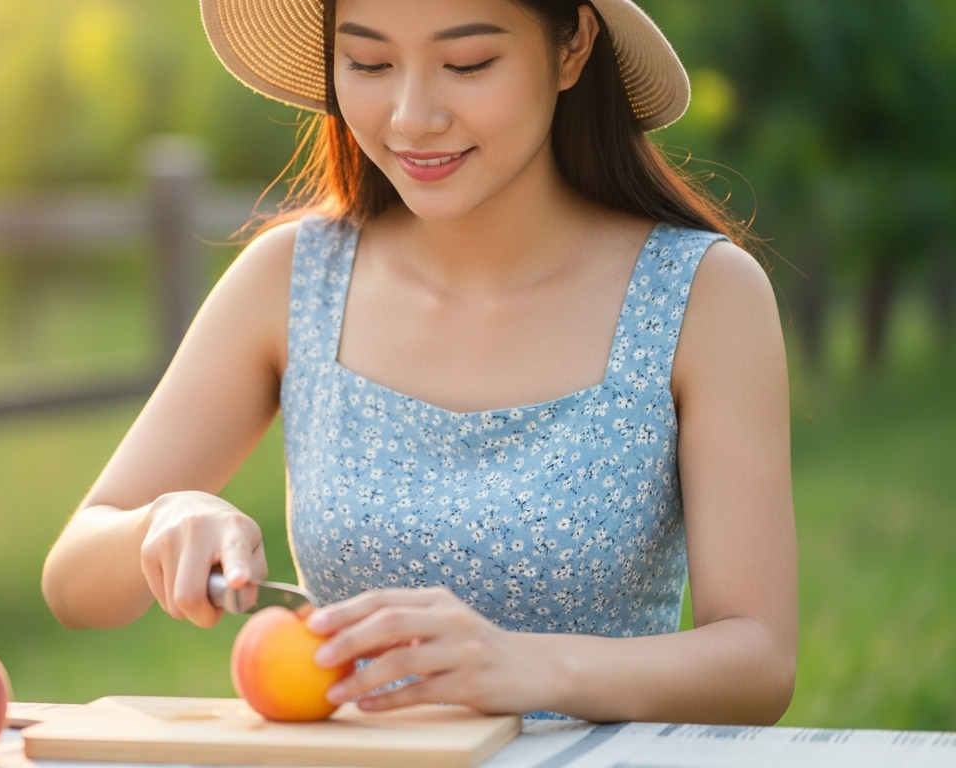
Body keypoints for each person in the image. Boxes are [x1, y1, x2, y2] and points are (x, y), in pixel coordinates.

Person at [43, 0, 796, 725]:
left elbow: (759, 665)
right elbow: (74, 583)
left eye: (466, 63)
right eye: (368, 62)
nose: (410, 115)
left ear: (572, 47)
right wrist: (163, 519)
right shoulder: (291, 278)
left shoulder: (703, 296)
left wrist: (535, 668)